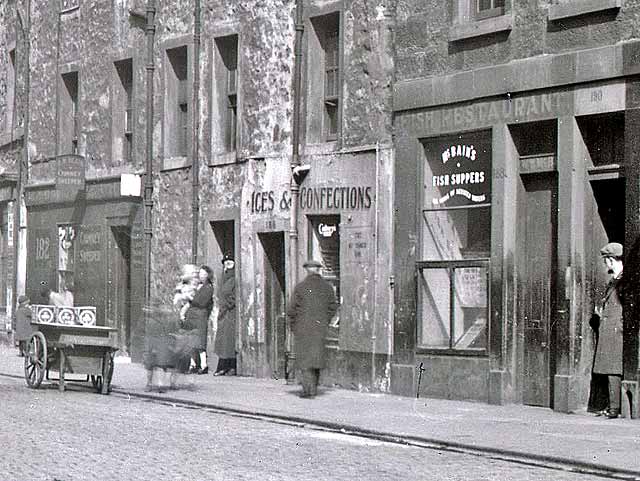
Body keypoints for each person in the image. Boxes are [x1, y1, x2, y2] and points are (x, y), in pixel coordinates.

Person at [287, 259, 338, 398]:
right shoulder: (327, 287)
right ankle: (313, 389)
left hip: (302, 328)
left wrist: (293, 324)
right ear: (318, 270)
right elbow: (333, 307)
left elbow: (292, 309)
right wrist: (325, 320)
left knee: (305, 360)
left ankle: (307, 390)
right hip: (319, 327)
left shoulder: (300, 287)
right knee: (316, 358)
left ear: (307, 270)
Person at [590, 242, 624, 419]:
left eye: (606, 261)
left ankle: (614, 408)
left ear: (611, 260)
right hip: (610, 329)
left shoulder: (624, 280)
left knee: (613, 369)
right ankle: (610, 405)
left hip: (616, 330)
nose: (605, 265)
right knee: (609, 368)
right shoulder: (615, 280)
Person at [183, 265, 214, 374]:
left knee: (200, 341)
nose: (201, 276)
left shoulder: (209, 287)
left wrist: (191, 298)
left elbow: (203, 302)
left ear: (208, 275)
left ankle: (203, 365)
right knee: (191, 341)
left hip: (200, 315)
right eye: (200, 273)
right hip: (192, 315)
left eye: (203, 274)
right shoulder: (196, 286)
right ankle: (193, 364)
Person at [214, 254, 237, 376]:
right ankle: (223, 366)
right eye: (225, 262)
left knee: (229, 341)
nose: (227, 264)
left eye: (230, 262)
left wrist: (228, 304)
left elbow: (235, 295)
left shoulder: (234, 277)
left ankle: (231, 366)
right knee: (222, 341)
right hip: (223, 314)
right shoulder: (223, 277)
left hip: (230, 313)